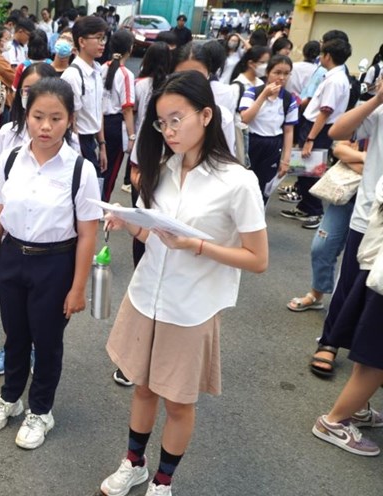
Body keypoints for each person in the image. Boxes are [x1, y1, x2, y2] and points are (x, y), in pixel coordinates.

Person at [99, 70, 268, 496]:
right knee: (141, 385)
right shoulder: (163, 169)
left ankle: (163, 480)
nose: (169, 131)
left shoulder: (237, 182)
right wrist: (127, 222)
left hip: (191, 308)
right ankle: (134, 462)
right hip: (145, 295)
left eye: (178, 119)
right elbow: (154, 235)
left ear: (206, 115)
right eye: (161, 122)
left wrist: (196, 245)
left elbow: (258, 259)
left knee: (178, 401)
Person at [0, 77, 100, 450]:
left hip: (55, 264)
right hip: (12, 258)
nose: (45, 127)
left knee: (46, 343)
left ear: (70, 120)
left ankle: (41, 410)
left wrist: (78, 287)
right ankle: (10, 397)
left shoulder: (81, 170)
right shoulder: (13, 158)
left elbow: (87, 235)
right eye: (37, 117)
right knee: (15, 335)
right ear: (26, 116)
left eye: (56, 118)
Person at [0, 62, 59, 374]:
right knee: (12, 307)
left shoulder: (63, 139)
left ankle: (37, 352)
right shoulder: (8, 134)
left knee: (43, 312)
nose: (33, 95)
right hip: (12, 240)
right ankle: (12, 347)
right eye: (27, 90)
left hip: (50, 245)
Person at [308, 78, 383, 378]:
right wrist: (378, 99)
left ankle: (369, 357)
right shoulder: (378, 111)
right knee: (351, 281)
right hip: (369, 216)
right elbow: (337, 132)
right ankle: (330, 342)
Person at [311, 175, 383, 457]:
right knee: (376, 356)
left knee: (371, 350)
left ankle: (358, 407)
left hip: (376, 265)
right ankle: (335, 421)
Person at [281, 38, 352, 230]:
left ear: (328, 56)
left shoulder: (335, 80)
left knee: (309, 173)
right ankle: (305, 206)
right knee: (302, 170)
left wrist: (310, 139)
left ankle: (315, 211)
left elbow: (325, 111)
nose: (320, 57)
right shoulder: (333, 76)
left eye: (322, 54)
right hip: (315, 127)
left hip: (318, 129)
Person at [287, 140, 363, 312]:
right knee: (322, 247)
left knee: (363, 258)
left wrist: (353, 159)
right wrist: (364, 157)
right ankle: (316, 294)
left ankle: (355, 308)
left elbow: (372, 169)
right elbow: (338, 148)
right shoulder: (368, 116)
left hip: (375, 204)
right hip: (345, 196)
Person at [239, 54, 297, 202]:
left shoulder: (289, 99)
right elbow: (245, 118)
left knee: (262, 187)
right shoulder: (252, 92)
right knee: (244, 184)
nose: (281, 77)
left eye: (286, 73)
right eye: (277, 72)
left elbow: (289, 131)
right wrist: (264, 96)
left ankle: (257, 219)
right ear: (267, 73)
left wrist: (286, 159)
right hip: (251, 142)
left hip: (273, 145)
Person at [61, 15, 108, 175]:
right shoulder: (72, 75)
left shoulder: (97, 70)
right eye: (98, 38)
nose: (102, 43)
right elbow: (70, 118)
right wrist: (77, 152)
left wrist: (102, 145)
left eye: (104, 38)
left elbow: (98, 109)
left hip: (92, 141)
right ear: (81, 42)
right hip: (78, 142)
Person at [101, 30, 136, 202]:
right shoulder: (126, 75)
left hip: (99, 122)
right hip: (115, 124)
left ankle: (94, 200)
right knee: (112, 167)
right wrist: (131, 135)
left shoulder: (101, 68)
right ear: (130, 48)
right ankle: (103, 202)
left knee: (99, 164)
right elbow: (127, 108)